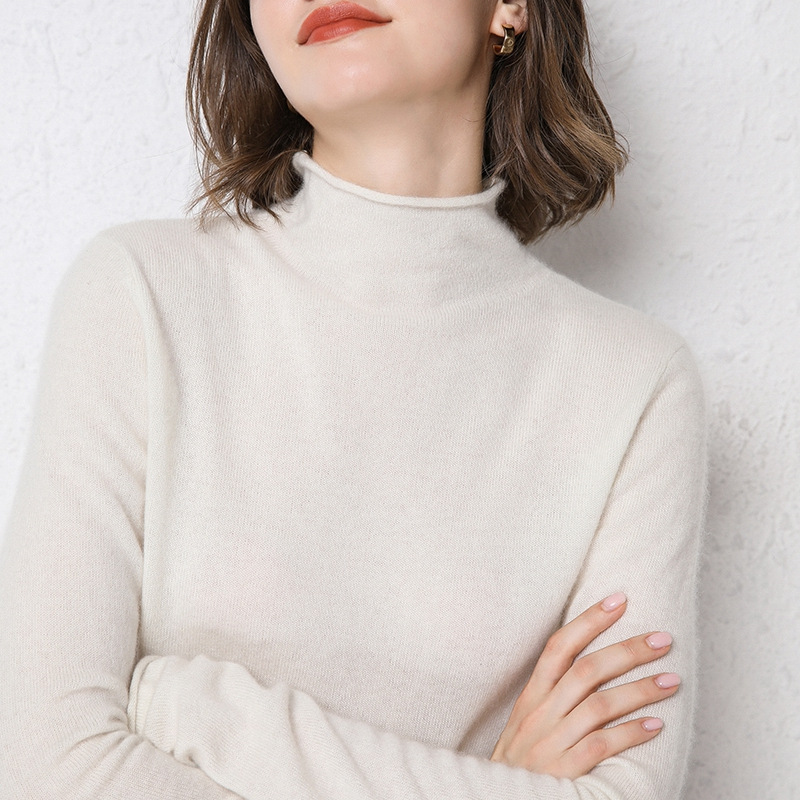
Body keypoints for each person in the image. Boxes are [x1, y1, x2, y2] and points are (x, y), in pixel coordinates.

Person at [0, 0, 706, 798]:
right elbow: (45, 769)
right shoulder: (141, 294)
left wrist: (204, 712)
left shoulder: (632, 383)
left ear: (510, 6)